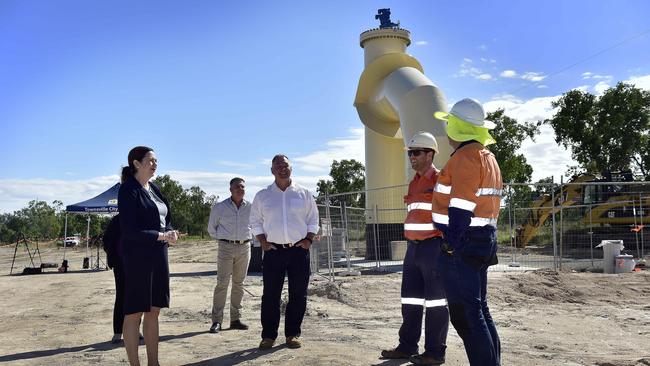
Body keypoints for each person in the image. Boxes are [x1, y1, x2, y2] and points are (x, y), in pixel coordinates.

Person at [432, 99, 503, 366]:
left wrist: (450, 244)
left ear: (458, 128)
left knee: (467, 315)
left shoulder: (464, 158)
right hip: (483, 239)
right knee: (479, 309)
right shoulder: (487, 157)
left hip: (464, 242)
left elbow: (461, 208)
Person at [381, 132, 449, 365]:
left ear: (430, 154)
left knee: (436, 303)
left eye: (416, 152)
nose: (412, 157)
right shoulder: (414, 182)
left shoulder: (441, 180)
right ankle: (407, 346)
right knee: (410, 300)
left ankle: (434, 352)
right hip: (413, 249)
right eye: (410, 153)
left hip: (434, 248)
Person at [249, 154, 319, 350]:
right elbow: (255, 221)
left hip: (299, 251)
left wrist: (309, 239)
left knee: (298, 294)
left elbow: (313, 219)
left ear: (291, 168)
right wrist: (262, 241)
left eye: (285, 165)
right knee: (271, 295)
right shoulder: (262, 196)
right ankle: (268, 336)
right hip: (273, 251)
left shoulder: (304, 193)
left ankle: (292, 334)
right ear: (272, 170)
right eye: (278, 165)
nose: (282, 168)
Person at [118, 146, 178, 366]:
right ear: (136, 163)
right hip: (138, 257)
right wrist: (162, 235)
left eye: (156, 161)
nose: (155, 164)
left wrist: (170, 232)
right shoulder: (128, 189)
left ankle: (154, 363)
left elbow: (165, 218)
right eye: (150, 160)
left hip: (159, 254)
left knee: (154, 310)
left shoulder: (155, 188)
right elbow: (130, 230)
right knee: (135, 313)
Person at [207, 177, 252, 333]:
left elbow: (256, 225)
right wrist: (223, 239)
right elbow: (211, 229)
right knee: (222, 283)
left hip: (245, 247)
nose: (240, 189)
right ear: (230, 189)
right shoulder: (220, 207)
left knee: (239, 284)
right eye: (237, 187)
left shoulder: (250, 207)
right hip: (225, 246)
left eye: (243, 187)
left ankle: (235, 319)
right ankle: (217, 321)